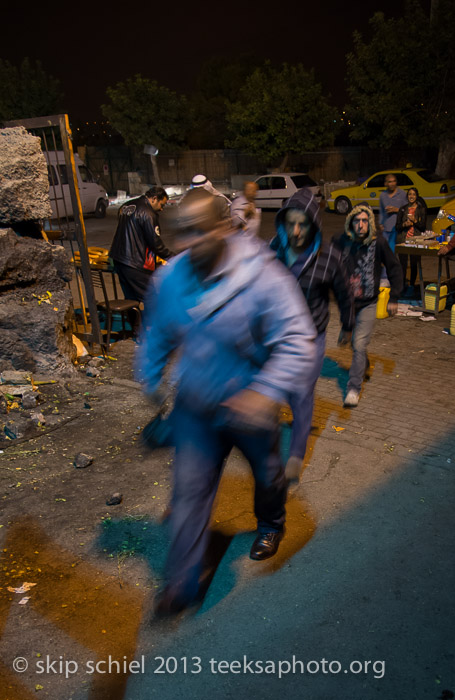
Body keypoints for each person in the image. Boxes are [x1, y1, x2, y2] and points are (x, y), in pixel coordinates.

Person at [136, 188, 316, 616]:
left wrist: (265, 391)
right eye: (182, 234)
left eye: (201, 231)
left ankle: (271, 523)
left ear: (223, 227)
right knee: (189, 493)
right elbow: (157, 333)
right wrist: (150, 376)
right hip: (196, 408)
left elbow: (299, 342)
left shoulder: (263, 277)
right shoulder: (170, 279)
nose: (190, 242)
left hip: (250, 408)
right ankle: (180, 582)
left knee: (268, 475)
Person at [270, 188, 354, 483]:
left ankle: (294, 455)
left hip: (311, 337)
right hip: (277, 338)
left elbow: (344, 293)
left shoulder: (329, 257)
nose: (295, 231)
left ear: (314, 224)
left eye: (302, 224)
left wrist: (348, 324)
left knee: (303, 394)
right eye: (290, 224)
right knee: (272, 393)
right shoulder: (273, 251)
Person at [334, 204, 403, 408]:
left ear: (370, 223)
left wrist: (394, 297)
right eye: (357, 221)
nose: (361, 225)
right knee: (350, 342)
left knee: (359, 344)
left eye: (365, 221)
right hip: (347, 304)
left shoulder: (378, 243)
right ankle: (362, 364)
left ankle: (353, 388)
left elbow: (394, 268)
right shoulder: (342, 242)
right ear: (351, 223)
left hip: (368, 303)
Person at [109, 186, 173, 303]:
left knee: (130, 299)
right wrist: (171, 257)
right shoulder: (148, 213)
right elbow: (155, 243)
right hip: (134, 262)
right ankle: (150, 321)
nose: (162, 209)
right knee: (152, 299)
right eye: (161, 205)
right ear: (154, 198)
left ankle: (134, 321)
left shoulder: (127, 206)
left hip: (119, 259)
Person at [395, 187, 427, 294]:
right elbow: (397, 227)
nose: (411, 196)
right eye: (409, 194)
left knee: (414, 264)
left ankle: (412, 285)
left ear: (417, 196)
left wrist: (415, 221)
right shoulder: (402, 209)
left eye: (413, 194)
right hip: (403, 240)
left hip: (416, 241)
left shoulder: (421, 209)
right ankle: (402, 285)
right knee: (402, 265)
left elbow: (423, 227)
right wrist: (404, 224)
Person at [379, 173, 407, 253]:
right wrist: (381, 224)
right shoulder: (383, 195)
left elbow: (407, 210)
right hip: (386, 228)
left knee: (393, 251)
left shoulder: (402, 194)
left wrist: (396, 210)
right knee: (385, 251)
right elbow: (381, 211)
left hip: (398, 228)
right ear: (386, 183)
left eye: (394, 181)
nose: (392, 184)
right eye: (390, 182)